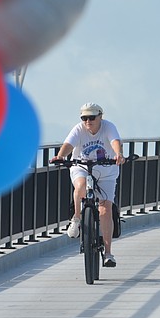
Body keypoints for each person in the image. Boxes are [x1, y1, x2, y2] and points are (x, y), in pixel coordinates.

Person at [50, 103, 126, 267]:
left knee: (105, 209)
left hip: (107, 170)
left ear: (100, 116)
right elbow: (68, 144)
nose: (88, 121)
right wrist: (60, 156)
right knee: (81, 185)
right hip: (82, 166)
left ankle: (108, 253)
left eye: (92, 117)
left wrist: (118, 154)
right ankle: (76, 219)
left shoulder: (108, 127)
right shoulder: (78, 129)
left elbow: (115, 141)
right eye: (84, 118)